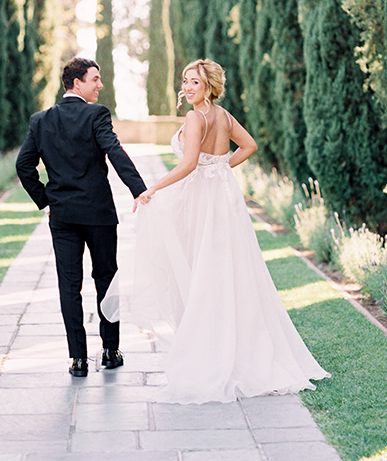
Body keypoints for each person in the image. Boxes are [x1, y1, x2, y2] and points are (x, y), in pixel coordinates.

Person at [102, 58, 330, 404]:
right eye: (185, 81)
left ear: (208, 85)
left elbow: (189, 163)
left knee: (201, 272)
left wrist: (154, 188)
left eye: (194, 82)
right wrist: (222, 167)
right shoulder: (223, 116)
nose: (187, 87)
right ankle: (235, 346)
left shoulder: (196, 117)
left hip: (201, 203)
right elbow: (249, 146)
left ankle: (211, 351)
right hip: (224, 200)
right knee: (230, 271)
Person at [16, 57, 146, 378]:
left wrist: (45, 199)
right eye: (95, 79)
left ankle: (78, 359)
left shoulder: (40, 121)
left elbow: (23, 165)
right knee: (107, 280)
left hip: (62, 216)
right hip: (99, 213)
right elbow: (114, 151)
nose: (100, 85)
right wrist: (138, 189)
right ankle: (110, 350)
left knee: (68, 286)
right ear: (77, 83)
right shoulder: (96, 114)